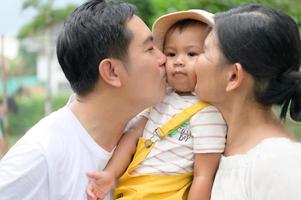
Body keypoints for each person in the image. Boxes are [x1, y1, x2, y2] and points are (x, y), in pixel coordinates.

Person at [0, 0, 166, 199]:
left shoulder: (153, 127)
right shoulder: (39, 157)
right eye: (150, 49)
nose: (164, 58)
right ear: (111, 71)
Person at [86, 10, 227, 200]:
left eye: (191, 53)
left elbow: (203, 175)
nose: (178, 61)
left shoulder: (208, 113)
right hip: (133, 190)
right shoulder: (159, 99)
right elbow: (132, 137)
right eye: (171, 53)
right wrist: (110, 174)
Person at [194, 4, 301, 200]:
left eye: (204, 52)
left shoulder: (279, 164)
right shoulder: (211, 146)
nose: (194, 61)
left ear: (233, 76)